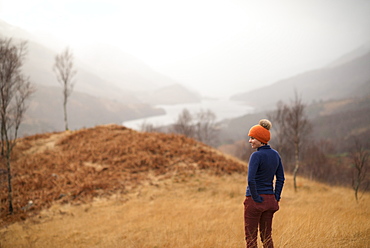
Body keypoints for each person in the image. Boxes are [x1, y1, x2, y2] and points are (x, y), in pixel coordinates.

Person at [244, 119, 285, 248]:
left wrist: (255, 198)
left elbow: (251, 180)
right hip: (270, 200)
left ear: (261, 139)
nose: (250, 141)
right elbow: (281, 178)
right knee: (267, 237)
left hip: (255, 201)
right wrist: (276, 197)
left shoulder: (256, 156)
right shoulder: (275, 155)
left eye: (252, 138)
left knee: (251, 238)